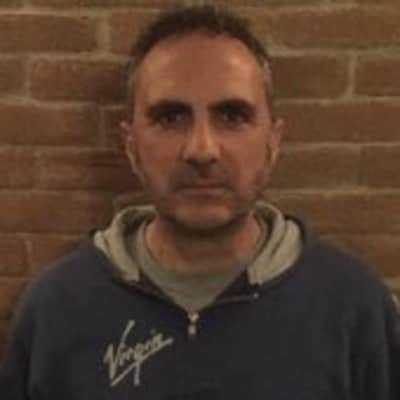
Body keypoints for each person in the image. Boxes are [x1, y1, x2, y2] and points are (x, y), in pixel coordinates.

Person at [1, 5, 399, 400]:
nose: (202, 149)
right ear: (131, 146)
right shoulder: (57, 309)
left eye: (232, 116)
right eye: (171, 117)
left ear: (272, 143)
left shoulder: (354, 309)